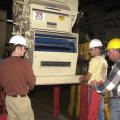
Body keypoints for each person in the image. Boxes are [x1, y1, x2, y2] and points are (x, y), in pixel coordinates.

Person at [0, 35, 36, 120]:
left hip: (9, 100)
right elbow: (32, 83)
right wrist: (28, 86)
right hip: (21, 102)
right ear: (18, 47)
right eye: (24, 48)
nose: (25, 51)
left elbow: (1, 84)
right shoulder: (24, 63)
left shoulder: (3, 63)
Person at [81, 39, 108, 120]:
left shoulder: (93, 60)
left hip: (93, 89)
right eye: (89, 49)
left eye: (91, 49)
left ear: (97, 49)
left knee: (92, 110)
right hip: (101, 88)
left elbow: (88, 76)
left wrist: (82, 79)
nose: (89, 51)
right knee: (99, 110)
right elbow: (104, 77)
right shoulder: (104, 61)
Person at [93, 38, 120, 120]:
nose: (108, 54)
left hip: (117, 101)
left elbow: (107, 86)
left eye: (109, 51)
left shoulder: (118, 67)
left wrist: (95, 85)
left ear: (115, 51)